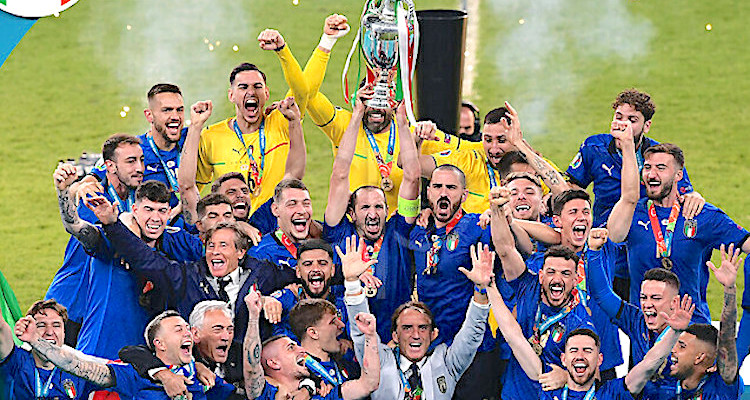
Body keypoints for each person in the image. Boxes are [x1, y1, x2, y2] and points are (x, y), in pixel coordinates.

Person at [297, 14, 478, 213]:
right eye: (371, 99)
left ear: (394, 103)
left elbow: (472, 150)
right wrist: (327, 42)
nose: (376, 107)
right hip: (354, 228)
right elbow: (307, 94)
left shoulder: (413, 135)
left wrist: (502, 141)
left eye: (383, 100)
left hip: (398, 229)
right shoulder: (344, 125)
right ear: (360, 99)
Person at [566, 89, 704, 301]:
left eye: (632, 120)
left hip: (646, 244)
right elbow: (573, 188)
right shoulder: (594, 147)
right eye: (619, 117)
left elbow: (684, 192)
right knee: (603, 305)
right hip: (606, 242)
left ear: (646, 126)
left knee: (644, 307)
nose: (623, 124)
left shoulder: (659, 158)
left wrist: (694, 195)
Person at [483, 262, 694, 400]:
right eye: (574, 350)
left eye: (587, 351)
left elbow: (649, 364)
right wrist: (489, 287)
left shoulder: (613, 393)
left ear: (600, 359)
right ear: (564, 359)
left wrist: (674, 332)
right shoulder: (549, 384)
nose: (580, 356)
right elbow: (514, 336)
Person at [56, 161, 202, 359]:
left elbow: (214, 245)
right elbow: (74, 226)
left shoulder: (176, 242)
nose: (155, 218)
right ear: (134, 209)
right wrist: (63, 192)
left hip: (145, 362)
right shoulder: (112, 239)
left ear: (169, 213)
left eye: (161, 211)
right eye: (148, 209)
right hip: (98, 356)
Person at [605, 142, 750, 321]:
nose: (652, 174)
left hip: (692, 326)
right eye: (648, 168)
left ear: (678, 175)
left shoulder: (701, 215)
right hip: (645, 325)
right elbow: (612, 237)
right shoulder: (632, 213)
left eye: (661, 168)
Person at [340, 235, 491, 400]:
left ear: (433, 334)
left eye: (423, 328)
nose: (416, 335)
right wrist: (352, 283)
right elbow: (361, 332)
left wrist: (481, 289)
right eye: (407, 328)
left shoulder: (446, 363)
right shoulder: (380, 361)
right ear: (395, 336)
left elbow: (472, 335)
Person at [322, 85, 420, 338]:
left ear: (388, 211)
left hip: (394, 339)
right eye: (365, 207)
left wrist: (401, 122)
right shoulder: (338, 232)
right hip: (346, 340)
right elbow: (339, 173)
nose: (373, 213)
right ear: (352, 213)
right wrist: (357, 114)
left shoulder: (398, 230)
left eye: (378, 207)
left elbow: (412, 176)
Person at [195, 28, 309, 215]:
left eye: (257, 86)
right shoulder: (210, 136)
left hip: (274, 225)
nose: (251, 92)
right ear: (231, 95)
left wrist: (282, 50)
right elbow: (194, 189)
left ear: (266, 93)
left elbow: (302, 92)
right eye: (243, 87)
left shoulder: (281, 121)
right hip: (232, 226)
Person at [45, 134, 145, 346]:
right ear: (110, 166)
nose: (139, 168)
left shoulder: (137, 200)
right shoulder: (94, 199)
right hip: (73, 301)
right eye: (131, 161)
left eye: (141, 160)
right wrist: (68, 190)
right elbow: (75, 226)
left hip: (102, 306)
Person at [587, 227, 707, 399]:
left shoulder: (693, 334)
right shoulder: (635, 320)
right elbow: (602, 295)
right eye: (644, 297)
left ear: (674, 302)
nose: (647, 304)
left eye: (656, 298)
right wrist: (593, 251)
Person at [14, 309, 238, 400]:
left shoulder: (200, 376)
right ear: (159, 343)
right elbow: (80, 367)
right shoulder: (134, 375)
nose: (187, 332)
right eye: (178, 329)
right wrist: (36, 341)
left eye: (187, 328)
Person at [423, 103, 568, 214]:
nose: (494, 148)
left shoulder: (532, 166)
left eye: (501, 140)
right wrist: (417, 137)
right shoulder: (470, 158)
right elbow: (415, 167)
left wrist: (520, 145)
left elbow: (566, 194)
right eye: (487, 140)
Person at [242, 289, 380, 400]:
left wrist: (370, 335)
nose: (302, 350)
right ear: (274, 363)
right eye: (291, 348)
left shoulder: (324, 394)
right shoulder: (267, 395)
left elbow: (369, 384)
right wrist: (253, 317)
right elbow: (251, 367)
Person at [669, 243, 744, 399]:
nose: (673, 350)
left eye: (682, 346)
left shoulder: (720, 389)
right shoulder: (664, 385)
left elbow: (727, 339)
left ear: (700, 358)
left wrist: (729, 289)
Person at [0, 300, 107, 399]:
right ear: (29, 329)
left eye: (56, 325)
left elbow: (113, 376)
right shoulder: (15, 361)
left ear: (64, 333)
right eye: (41, 325)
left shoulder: (79, 370)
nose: (49, 332)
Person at [262, 239, 348, 341]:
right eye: (308, 264)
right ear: (298, 271)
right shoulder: (288, 298)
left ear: (332, 270)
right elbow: (255, 302)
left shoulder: (343, 299)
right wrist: (265, 300)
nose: (315, 269)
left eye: (322, 263)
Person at [288, 299, 361, 386]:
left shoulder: (345, 362)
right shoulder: (301, 376)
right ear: (313, 333)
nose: (342, 325)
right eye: (333, 322)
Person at [246, 178, 314, 269]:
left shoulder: (319, 248)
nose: (302, 211)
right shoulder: (260, 254)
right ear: (275, 210)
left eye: (306, 204)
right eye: (292, 204)